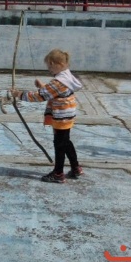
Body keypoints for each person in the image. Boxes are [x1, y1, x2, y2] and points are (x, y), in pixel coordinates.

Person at [9, 49, 84, 183]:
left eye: (50, 66)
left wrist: (18, 94)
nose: (49, 69)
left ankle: (58, 174)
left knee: (60, 144)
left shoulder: (58, 82)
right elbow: (55, 92)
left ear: (59, 64)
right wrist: (43, 86)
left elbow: (40, 96)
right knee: (65, 142)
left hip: (62, 116)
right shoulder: (66, 77)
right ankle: (76, 168)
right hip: (67, 114)